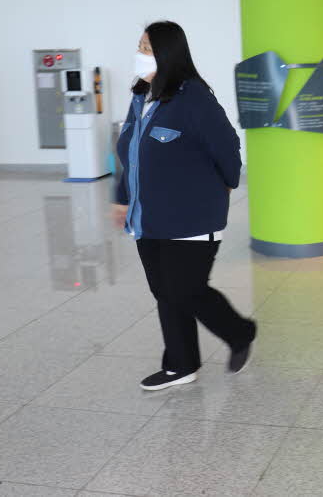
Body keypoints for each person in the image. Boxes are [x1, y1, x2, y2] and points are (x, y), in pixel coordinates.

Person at [112, 21, 256, 391]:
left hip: (191, 217)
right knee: (165, 291)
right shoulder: (141, 97)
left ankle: (239, 332)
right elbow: (130, 154)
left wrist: (224, 186)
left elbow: (228, 150)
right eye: (140, 46)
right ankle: (181, 364)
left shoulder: (194, 99)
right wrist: (122, 198)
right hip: (148, 217)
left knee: (186, 290)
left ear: (168, 53)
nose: (139, 54)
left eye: (147, 48)